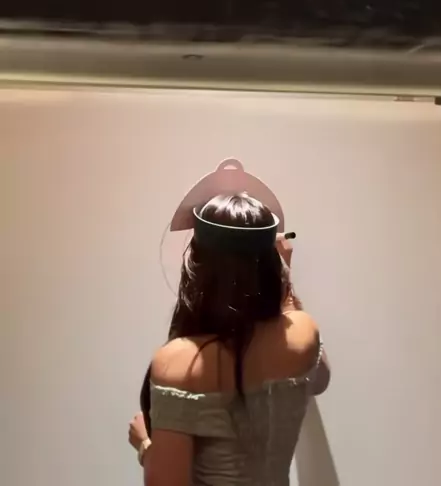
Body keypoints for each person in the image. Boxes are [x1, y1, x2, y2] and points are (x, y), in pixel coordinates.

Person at [128, 193, 330, 486]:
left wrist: (145, 446)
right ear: (271, 265)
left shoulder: (179, 363)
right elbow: (320, 379)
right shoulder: (302, 334)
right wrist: (283, 278)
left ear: (197, 267)